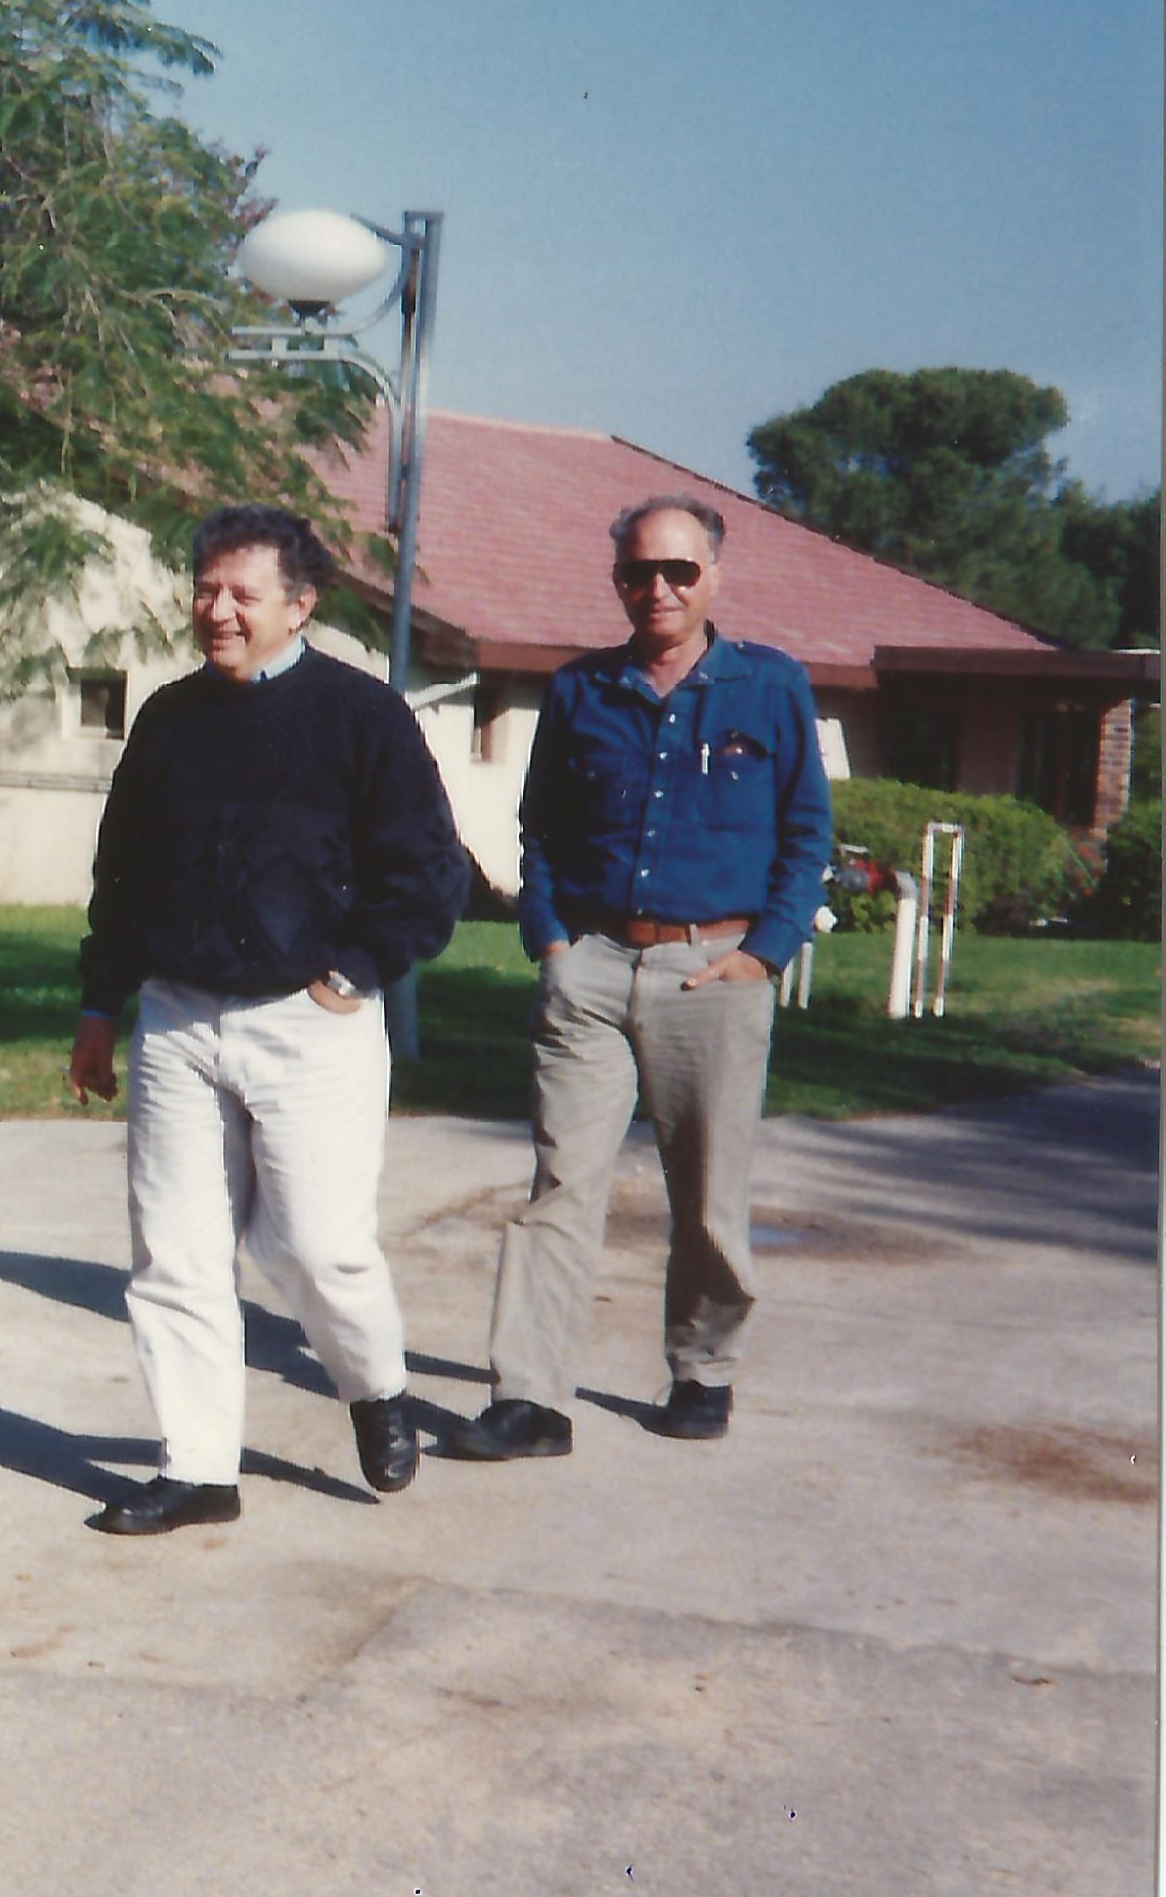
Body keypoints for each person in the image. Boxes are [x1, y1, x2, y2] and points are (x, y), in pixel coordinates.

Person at [67, 504, 467, 1538]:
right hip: (180, 1021)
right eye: (206, 589)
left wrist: (356, 971)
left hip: (311, 1023)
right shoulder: (167, 719)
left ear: (301, 605)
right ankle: (199, 1467)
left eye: (244, 593)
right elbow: (121, 876)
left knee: (321, 1250)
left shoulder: (362, 717)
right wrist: (99, 1007)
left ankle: (376, 1389)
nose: (219, 610)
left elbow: (425, 873)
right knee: (176, 1256)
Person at [451, 493, 831, 1458]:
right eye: (636, 572)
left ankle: (702, 1370)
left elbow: (807, 834)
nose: (656, 589)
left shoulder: (772, 686)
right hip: (593, 966)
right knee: (558, 1186)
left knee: (706, 1192)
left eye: (678, 571)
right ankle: (530, 1400)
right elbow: (540, 830)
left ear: (715, 576)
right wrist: (549, 943)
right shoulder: (582, 691)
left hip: (715, 969)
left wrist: (763, 954)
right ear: (617, 578)